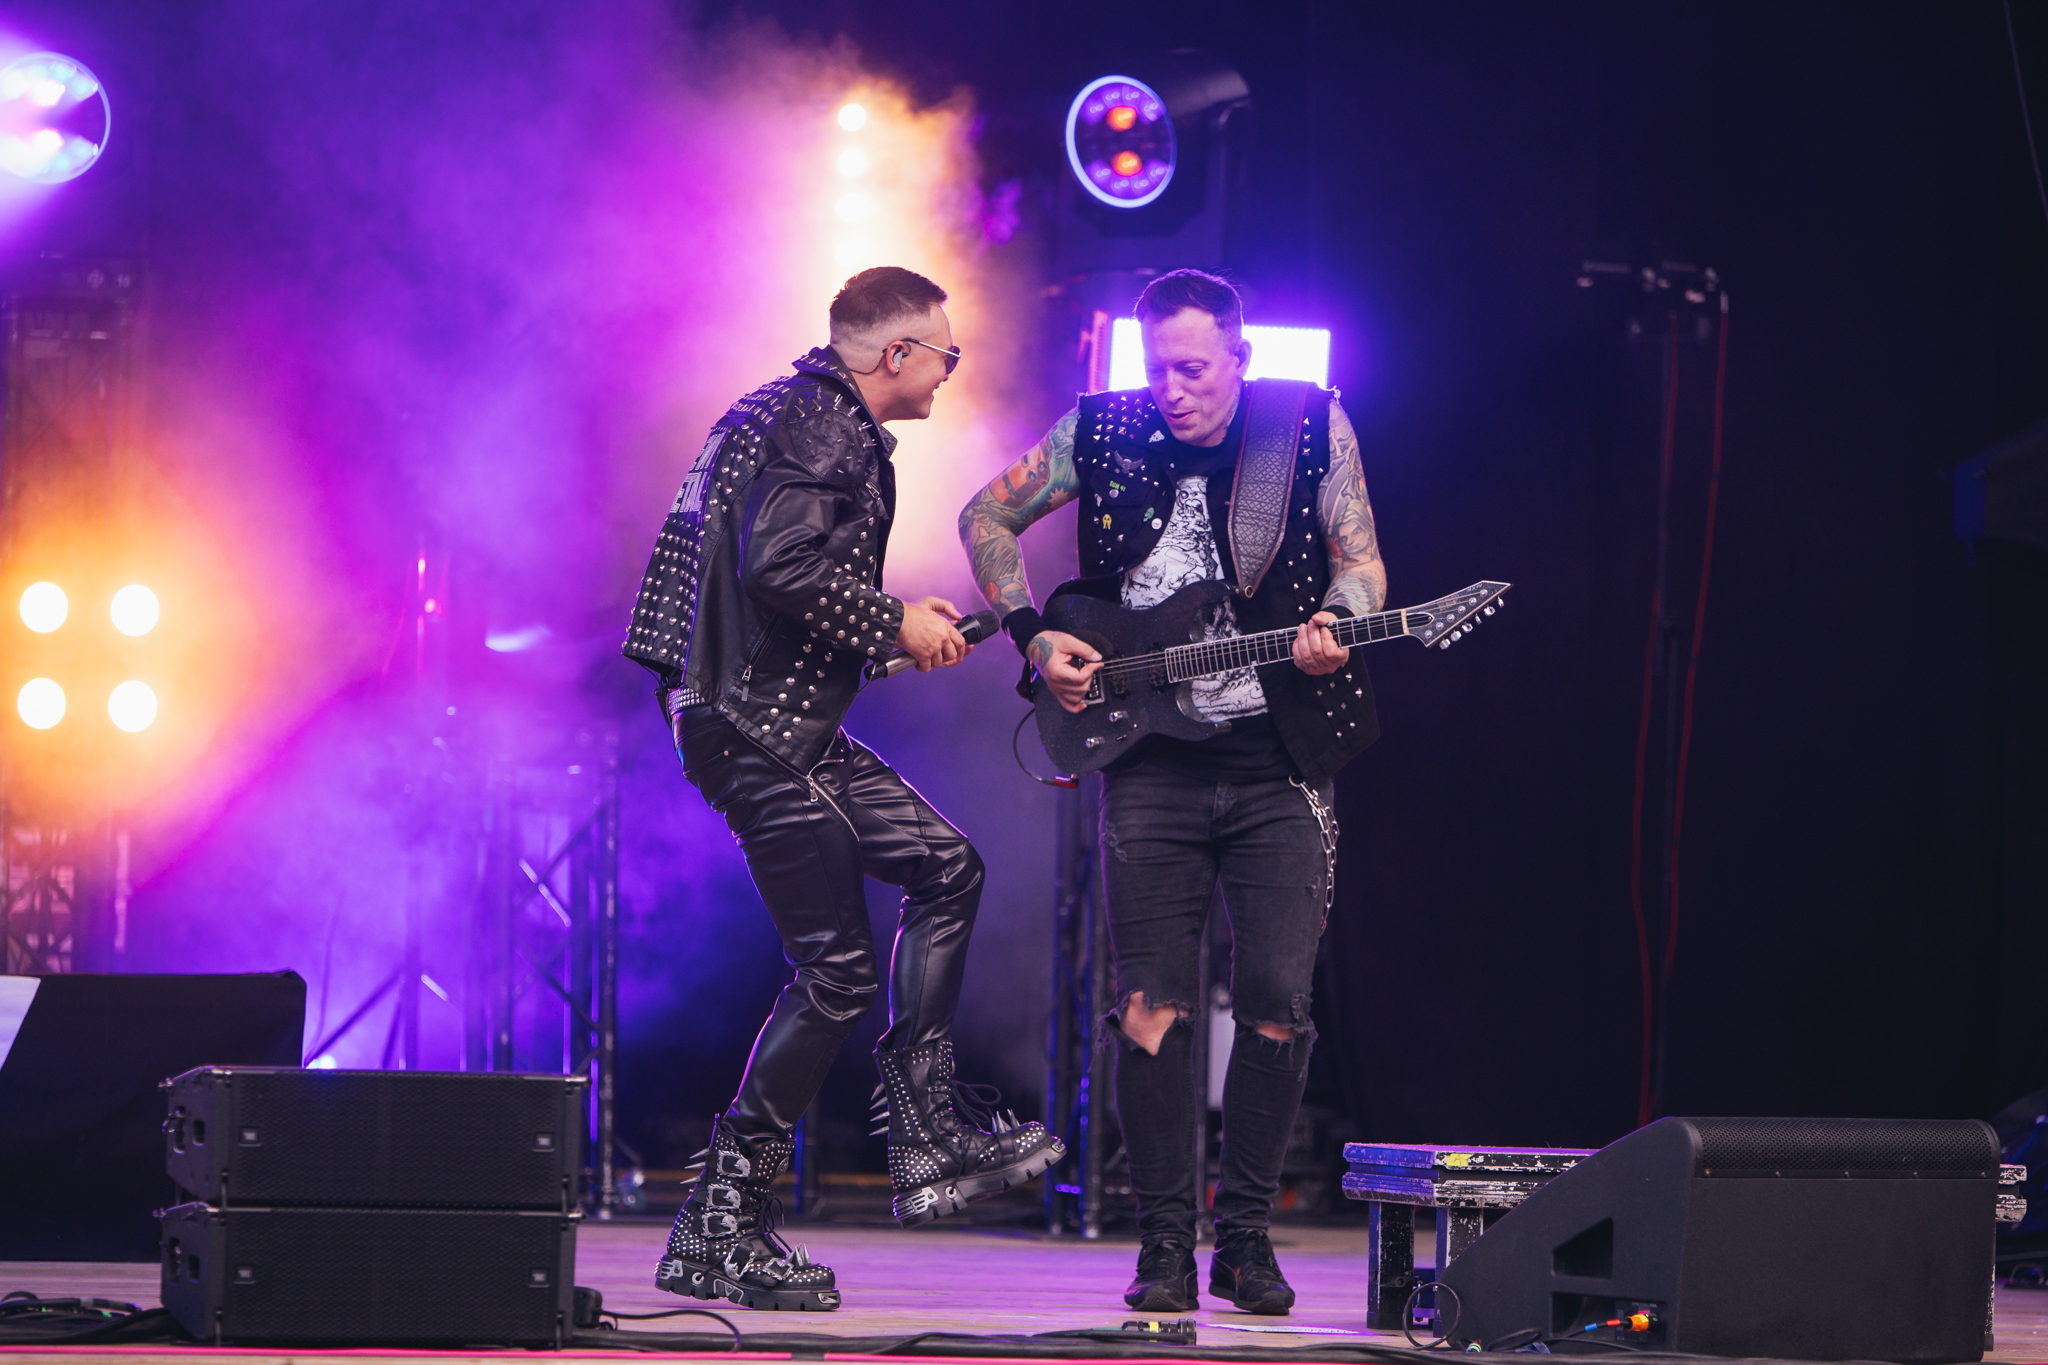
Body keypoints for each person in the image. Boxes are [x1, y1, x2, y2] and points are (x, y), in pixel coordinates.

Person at [624, 267, 1061, 1313]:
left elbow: (765, 584)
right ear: (895, 353)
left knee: (948, 867)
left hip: (775, 722)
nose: (950, 372)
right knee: (835, 975)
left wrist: (897, 632)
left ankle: (924, 1132)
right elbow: (778, 564)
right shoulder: (825, 420)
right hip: (755, 729)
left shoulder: (780, 410)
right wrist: (887, 618)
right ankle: (720, 1225)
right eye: (945, 355)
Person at [957, 269, 1386, 1316]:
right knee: (1149, 1008)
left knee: (1278, 1007)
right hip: (1147, 762)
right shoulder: (1101, 430)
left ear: (1240, 357)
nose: (1172, 389)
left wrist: (1338, 619)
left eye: (1193, 369)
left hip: (1277, 762)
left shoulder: (1305, 423)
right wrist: (1032, 635)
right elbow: (984, 515)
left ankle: (1243, 1240)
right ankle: (1161, 1243)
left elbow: (1364, 564)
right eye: (1159, 370)